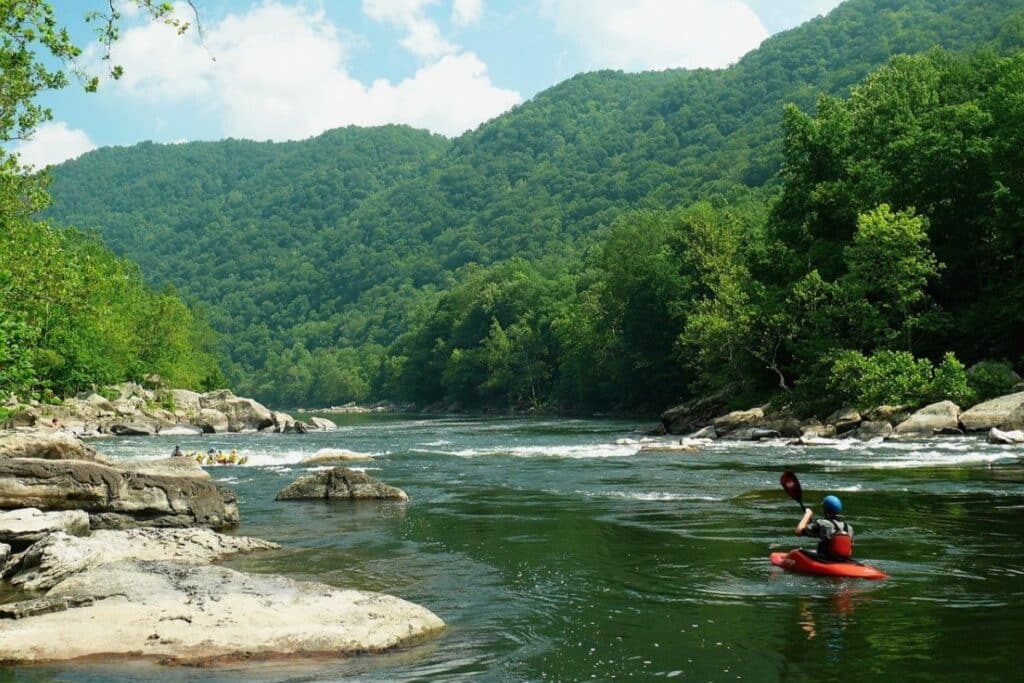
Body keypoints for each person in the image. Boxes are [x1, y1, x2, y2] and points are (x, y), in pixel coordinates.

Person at [795, 495, 853, 561]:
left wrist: (807, 514)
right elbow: (850, 551)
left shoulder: (822, 524)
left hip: (826, 560)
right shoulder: (849, 528)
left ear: (825, 509)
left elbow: (798, 531)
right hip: (844, 560)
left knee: (797, 552)